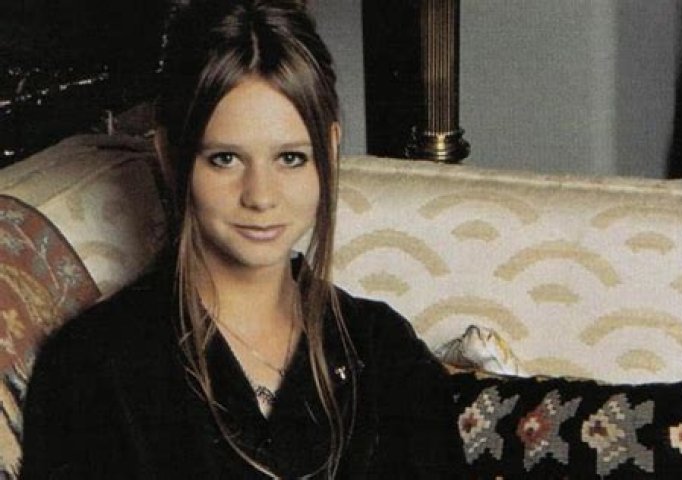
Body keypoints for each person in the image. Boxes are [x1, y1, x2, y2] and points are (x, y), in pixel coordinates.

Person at [19, 0, 464, 478]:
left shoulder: (383, 352)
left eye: (290, 158)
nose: (261, 196)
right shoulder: (94, 367)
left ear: (330, 153)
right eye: (225, 159)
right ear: (170, 154)